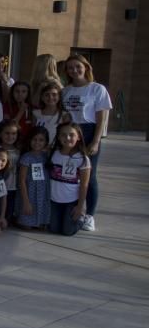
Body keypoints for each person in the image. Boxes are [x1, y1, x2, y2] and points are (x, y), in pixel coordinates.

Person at [61, 54, 111, 231]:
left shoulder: (97, 89)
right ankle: (75, 211)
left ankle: (90, 215)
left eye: (77, 66)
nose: (74, 70)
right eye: (70, 67)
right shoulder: (65, 91)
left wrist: (96, 141)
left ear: (86, 67)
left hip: (89, 132)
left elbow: (101, 119)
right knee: (71, 175)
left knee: (89, 176)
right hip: (70, 132)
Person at [48, 123, 92, 236]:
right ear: (58, 137)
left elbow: (84, 185)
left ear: (78, 137)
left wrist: (80, 207)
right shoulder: (54, 154)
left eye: (71, 135)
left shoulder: (83, 159)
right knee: (53, 229)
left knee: (67, 231)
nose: (67, 138)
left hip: (71, 201)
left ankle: (81, 219)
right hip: (54, 200)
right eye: (63, 135)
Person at [17, 128, 51, 230]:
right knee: (27, 226)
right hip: (29, 192)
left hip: (42, 192)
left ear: (46, 142)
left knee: (40, 226)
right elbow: (22, 180)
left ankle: (40, 221)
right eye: (34, 139)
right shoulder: (26, 157)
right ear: (29, 140)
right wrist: (26, 201)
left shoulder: (46, 156)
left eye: (41, 140)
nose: (37, 143)